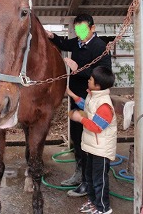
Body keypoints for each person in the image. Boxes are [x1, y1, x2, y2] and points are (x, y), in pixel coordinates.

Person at [46, 13, 112, 197]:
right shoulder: (77, 42)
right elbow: (64, 43)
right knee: (77, 136)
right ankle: (80, 172)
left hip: (91, 100)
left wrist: (79, 70)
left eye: (83, 30)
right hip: (75, 97)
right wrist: (52, 37)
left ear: (92, 28)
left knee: (90, 139)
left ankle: (88, 181)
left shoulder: (101, 47)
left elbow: (105, 74)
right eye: (78, 30)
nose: (80, 34)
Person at [68, 66, 116, 214]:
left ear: (98, 85)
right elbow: (87, 106)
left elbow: (97, 127)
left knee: (99, 180)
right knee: (89, 177)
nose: (88, 80)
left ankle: (103, 208)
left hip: (101, 149)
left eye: (90, 79)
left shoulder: (104, 105)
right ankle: (93, 202)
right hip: (92, 146)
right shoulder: (93, 96)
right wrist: (71, 94)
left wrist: (80, 118)